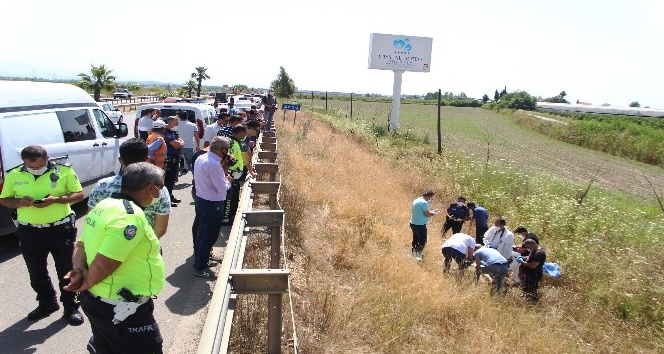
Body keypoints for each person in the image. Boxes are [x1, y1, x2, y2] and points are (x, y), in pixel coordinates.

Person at [64, 162, 166, 354]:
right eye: (161, 187)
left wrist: (79, 271)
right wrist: (84, 282)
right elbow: (104, 263)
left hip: (99, 301)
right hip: (120, 308)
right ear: (150, 188)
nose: (161, 193)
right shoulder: (130, 217)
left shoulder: (105, 205)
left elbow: (81, 245)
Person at [0, 145, 85, 325]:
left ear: (47, 158)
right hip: (29, 231)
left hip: (60, 229)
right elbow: (4, 199)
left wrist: (56, 200)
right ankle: (47, 303)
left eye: (38, 166)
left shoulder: (64, 171)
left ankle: (71, 307)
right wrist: (18, 202)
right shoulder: (14, 174)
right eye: (31, 167)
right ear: (23, 162)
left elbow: (79, 194)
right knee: (36, 271)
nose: (35, 169)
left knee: (66, 270)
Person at [88, 138, 171, 239]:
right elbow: (161, 228)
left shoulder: (102, 185)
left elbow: (91, 220)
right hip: (143, 249)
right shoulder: (158, 189)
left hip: (106, 248)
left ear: (120, 160)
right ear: (147, 160)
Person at [193, 136, 232, 279]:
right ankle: (200, 266)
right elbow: (222, 189)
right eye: (227, 148)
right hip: (213, 203)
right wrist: (228, 181)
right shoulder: (214, 165)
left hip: (202, 199)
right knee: (210, 235)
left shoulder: (201, 158)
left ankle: (200, 259)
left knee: (202, 232)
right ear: (222, 149)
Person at [222, 125, 247, 225]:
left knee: (233, 197)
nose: (244, 136)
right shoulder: (231, 143)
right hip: (230, 174)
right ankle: (226, 218)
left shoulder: (236, 142)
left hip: (234, 174)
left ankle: (230, 215)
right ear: (241, 133)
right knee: (229, 198)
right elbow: (227, 158)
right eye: (243, 134)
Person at [410, 190, 440, 261]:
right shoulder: (424, 202)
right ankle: (417, 255)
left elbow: (421, 211)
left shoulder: (416, 200)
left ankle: (413, 252)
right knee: (423, 241)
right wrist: (434, 213)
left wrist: (431, 211)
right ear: (430, 196)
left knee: (416, 239)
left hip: (413, 223)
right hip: (420, 224)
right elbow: (427, 214)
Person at [163, 116, 185, 205]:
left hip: (175, 158)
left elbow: (182, 142)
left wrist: (180, 143)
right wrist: (179, 143)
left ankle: (170, 196)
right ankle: (166, 199)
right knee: (167, 180)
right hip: (169, 158)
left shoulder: (173, 132)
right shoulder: (165, 132)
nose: (177, 125)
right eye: (176, 124)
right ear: (170, 123)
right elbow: (176, 144)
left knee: (172, 179)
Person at [177, 110, 199, 174]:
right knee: (191, 164)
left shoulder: (176, 125)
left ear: (179, 117)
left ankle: (175, 178)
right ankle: (195, 177)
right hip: (189, 146)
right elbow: (196, 136)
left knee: (176, 163)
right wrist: (197, 145)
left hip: (178, 146)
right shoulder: (193, 125)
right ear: (187, 116)